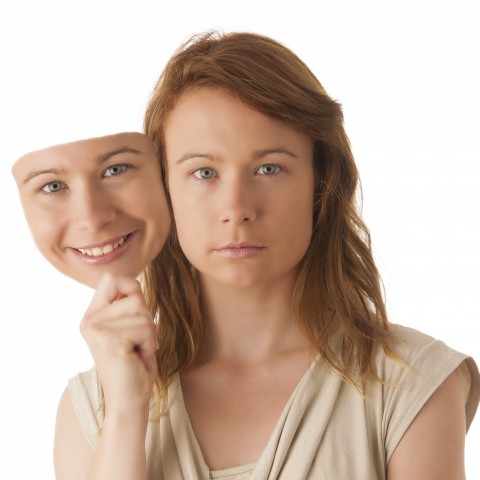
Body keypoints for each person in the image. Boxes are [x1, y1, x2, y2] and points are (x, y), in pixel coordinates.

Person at [54, 32, 479, 479]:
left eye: (269, 168)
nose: (237, 208)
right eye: (203, 172)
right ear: (162, 192)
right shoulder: (93, 406)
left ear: (320, 184)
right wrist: (125, 410)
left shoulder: (411, 382)